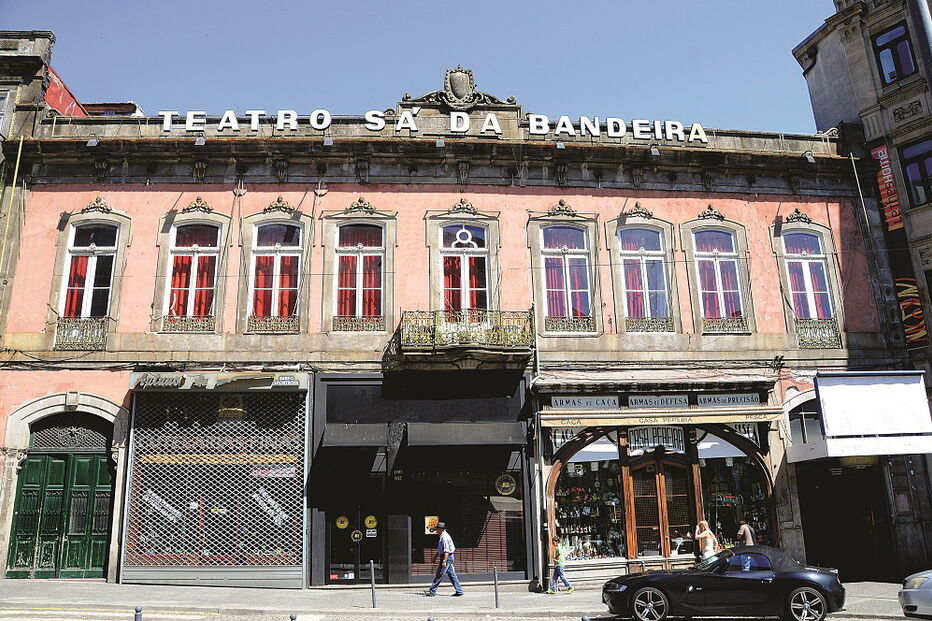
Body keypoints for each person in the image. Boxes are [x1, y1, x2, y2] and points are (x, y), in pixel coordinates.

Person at [425, 522, 464, 597]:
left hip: (447, 557)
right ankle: (459, 591)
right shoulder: (443, 536)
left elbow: (446, 551)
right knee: (452, 575)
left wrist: (444, 561)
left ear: (441, 529)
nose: (436, 531)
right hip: (448, 557)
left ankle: (432, 591)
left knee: (440, 574)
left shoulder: (444, 537)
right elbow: (442, 549)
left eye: (437, 529)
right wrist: (436, 556)